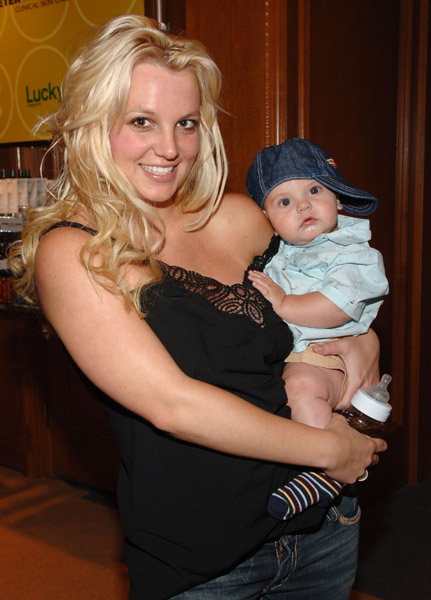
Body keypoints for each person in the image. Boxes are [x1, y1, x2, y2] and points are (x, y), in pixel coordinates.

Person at [9, 15, 386, 600]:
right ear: (93, 123)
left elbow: (336, 284)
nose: (170, 147)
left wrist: (363, 338)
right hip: (206, 561)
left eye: (185, 123)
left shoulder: (237, 218)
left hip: (323, 527)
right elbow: (173, 405)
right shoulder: (74, 252)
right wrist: (332, 448)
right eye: (141, 121)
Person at [246, 138, 389, 520]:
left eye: (314, 190)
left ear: (338, 199)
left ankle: (324, 470)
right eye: (284, 201)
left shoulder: (352, 252)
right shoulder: (278, 254)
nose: (303, 206)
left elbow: (336, 305)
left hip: (326, 355)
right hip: (301, 356)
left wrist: (283, 303)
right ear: (267, 218)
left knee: (300, 389)